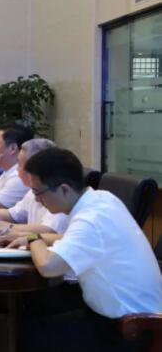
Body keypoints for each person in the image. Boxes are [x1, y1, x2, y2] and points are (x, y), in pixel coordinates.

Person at [9, 148, 162, 351]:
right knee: (28, 309)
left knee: (24, 332)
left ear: (64, 189)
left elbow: (48, 266)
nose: (37, 200)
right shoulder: (102, 199)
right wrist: (32, 238)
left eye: (38, 192)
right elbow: (79, 240)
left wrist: (33, 237)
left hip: (129, 331)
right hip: (118, 318)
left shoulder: (91, 218)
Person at [0, 138, 69, 237]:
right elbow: (12, 214)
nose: (17, 168)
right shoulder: (31, 191)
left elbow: (48, 231)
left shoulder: (58, 192)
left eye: (19, 164)